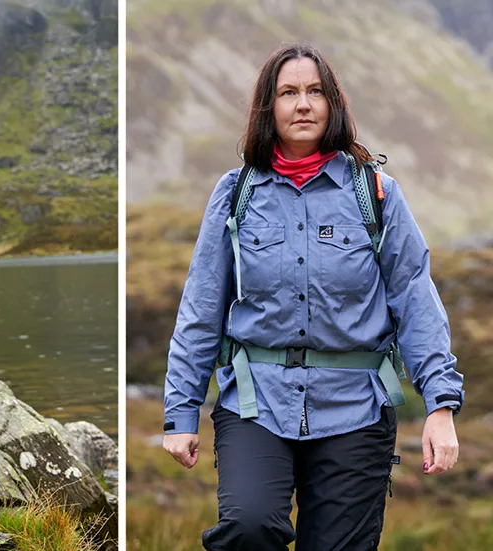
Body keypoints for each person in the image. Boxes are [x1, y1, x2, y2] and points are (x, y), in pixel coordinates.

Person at [161, 43, 464, 551]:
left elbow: (415, 297)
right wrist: (180, 411)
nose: (303, 104)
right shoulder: (236, 194)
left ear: (333, 105)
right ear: (269, 108)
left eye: (315, 92)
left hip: (357, 410)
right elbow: (201, 306)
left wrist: (440, 405)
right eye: (288, 93)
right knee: (248, 527)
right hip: (255, 405)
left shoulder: (377, 192)